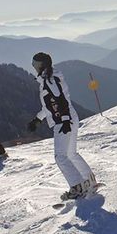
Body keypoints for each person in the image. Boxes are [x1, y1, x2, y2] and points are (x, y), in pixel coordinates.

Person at [27, 52, 98, 201]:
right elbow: (50, 105)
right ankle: (88, 180)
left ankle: (77, 187)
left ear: (41, 65)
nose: (33, 67)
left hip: (63, 121)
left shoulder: (49, 80)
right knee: (71, 154)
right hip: (69, 118)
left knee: (60, 156)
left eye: (35, 64)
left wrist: (65, 120)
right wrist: (37, 119)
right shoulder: (50, 78)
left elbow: (60, 100)